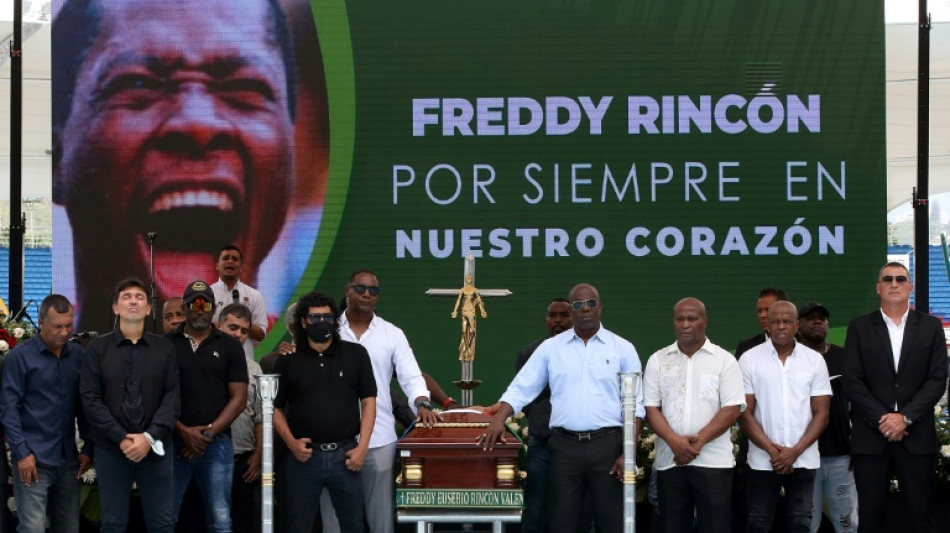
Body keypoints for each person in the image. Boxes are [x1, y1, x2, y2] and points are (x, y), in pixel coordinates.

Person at [51, 0, 300, 334]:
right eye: (138, 84)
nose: (197, 124)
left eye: (244, 87)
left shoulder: (310, 372)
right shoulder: (26, 375)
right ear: (55, 158)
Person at [479, 283, 644, 533]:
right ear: (572, 310)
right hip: (564, 448)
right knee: (562, 522)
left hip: (608, 446)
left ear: (600, 307)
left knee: (612, 521)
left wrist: (627, 452)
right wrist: (499, 419)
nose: (585, 309)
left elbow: (635, 407)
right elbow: (521, 387)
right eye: (578, 305)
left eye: (590, 304)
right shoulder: (551, 348)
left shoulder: (622, 348)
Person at [314, 270, 435, 533]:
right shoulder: (327, 329)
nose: (367, 294)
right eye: (360, 289)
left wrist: (422, 402)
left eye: (373, 291)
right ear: (348, 291)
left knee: (380, 519)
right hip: (331, 438)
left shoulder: (392, 334)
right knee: (333, 521)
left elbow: (411, 375)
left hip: (379, 437)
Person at [842, 262, 948, 533]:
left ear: (910, 287)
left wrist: (906, 418)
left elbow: (937, 379)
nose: (894, 284)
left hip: (916, 435)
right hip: (871, 436)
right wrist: (884, 419)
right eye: (887, 279)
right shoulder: (859, 328)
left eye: (901, 279)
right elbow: (852, 380)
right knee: (871, 516)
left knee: (921, 514)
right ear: (878, 287)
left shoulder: (931, 327)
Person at [80, 277, 181, 533]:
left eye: (139, 297)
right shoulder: (97, 349)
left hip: (156, 449)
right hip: (111, 450)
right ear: (115, 307)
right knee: (113, 523)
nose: (133, 301)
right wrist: (121, 438)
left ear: (149, 309)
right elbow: (90, 399)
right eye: (126, 297)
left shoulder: (165, 348)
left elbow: (172, 397)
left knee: (162, 522)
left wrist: (148, 437)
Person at [273, 292, 377, 532]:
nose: (322, 323)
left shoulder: (355, 354)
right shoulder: (289, 359)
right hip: (304, 458)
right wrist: (291, 443)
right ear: (303, 322)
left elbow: (369, 402)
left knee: (354, 525)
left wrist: (362, 448)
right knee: (298, 525)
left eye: (327, 317)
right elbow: (274, 408)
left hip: (345, 455)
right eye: (315, 318)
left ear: (335, 320)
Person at [643, 298, 745, 533]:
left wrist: (695, 443)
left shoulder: (723, 360)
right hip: (671, 461)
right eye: (680, 319)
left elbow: (732, 408)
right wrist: (675, 442)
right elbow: (651, 408)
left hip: (713, 462)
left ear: (705, 322)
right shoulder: (658, 360)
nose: (685, 324)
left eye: (692, 318)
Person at [0, 294, 93, 533]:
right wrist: (21, 453)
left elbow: (85, 406)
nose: (64, 332)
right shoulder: (20, 358)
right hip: (33, 460)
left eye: (69, 325)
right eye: (57, 327)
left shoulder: (78, 357)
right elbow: (9, 409)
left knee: (69, 528)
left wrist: (88, 448)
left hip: (69, 460)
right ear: (41, 322)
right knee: (32, 528)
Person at [739, 301, 831, 533]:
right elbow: (744, 413)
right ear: (767, 326)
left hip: (803, 458)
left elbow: (822, 413)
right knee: (757, 523)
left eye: (787, 321)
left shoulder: (814, 360)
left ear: (797, 325)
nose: (781, 326)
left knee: (801, 523)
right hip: (762, 460)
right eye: (776, 322)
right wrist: (773, 451)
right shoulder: (749, 359)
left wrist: (795, 451)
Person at [167, 281, 248, 533]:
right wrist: (183, 432)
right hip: (173, 442)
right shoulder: (165, 345)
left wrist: (206, 435)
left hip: (217, 444)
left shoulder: (230, 345)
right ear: (185, 307)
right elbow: (155, 397)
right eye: (195, 304)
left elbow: (239, 398)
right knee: (165, 517)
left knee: (221, 520)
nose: (200, 309)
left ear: (213, 309)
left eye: (206, 304)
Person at [514, 297, 577, 533]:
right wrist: (541, 419)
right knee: (536, 507)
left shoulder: (585, 353)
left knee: (578, 507)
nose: (558, 321)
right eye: (553, 315)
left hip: (576, 444)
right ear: (545, 321)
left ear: (575, 318)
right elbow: (523, 396)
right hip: (542, 444)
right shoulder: (530, 353)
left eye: (564, 315)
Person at [796, 302, 856, 533]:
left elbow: (858, 404)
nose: (818, 321)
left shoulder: (845, 357)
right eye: (811, 318)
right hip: (802, 455)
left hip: (840, 455)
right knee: (806, 524)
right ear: (799, 324)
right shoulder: (790, 360)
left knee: (847, 523)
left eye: (822, 317)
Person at [216, 304, 263, 533]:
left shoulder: (255, 369)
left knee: (243, 523)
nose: (238, 334)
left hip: (243, 462)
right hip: (209, 457)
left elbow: (261, 417)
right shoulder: (204, 362)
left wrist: (258, 456)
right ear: (218, 326)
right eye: (232, 327)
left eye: (244, 330)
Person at [211, 246, 269, 360]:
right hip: (213, 359)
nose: (230, 261)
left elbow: (261, 335)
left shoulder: (253, 295)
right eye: (226, 258)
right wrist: (217, 326)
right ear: (217, 265)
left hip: (244, 360)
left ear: (241, 267)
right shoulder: (208, 294)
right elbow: (199, 330)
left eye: (235, 259)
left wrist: (242, 323)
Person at [735, 288, 788, 357]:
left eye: (768, 310)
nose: (762, 315)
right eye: (759, 311)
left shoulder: (801, 346)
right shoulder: (746, 348)